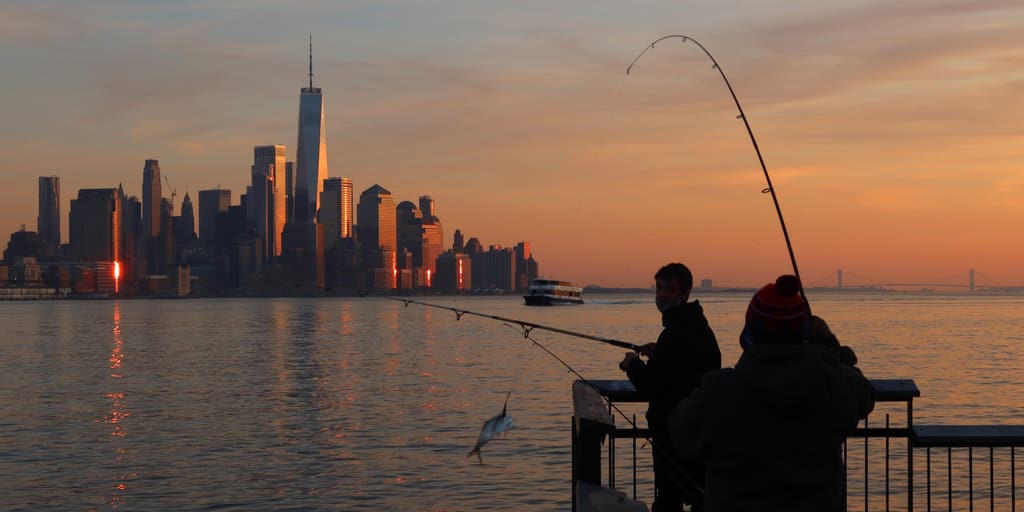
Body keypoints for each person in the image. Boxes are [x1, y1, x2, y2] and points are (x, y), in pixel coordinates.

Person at [667, 275, 875, 512]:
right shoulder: (832, 383)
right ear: (803, 333)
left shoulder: (720, 391)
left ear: (750, 332)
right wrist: (829, 344)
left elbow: (681, 431)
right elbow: (864, 394)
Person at [619, 262, 721, 511]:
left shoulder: (676, 332)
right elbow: (686, 365)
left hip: (672, 429)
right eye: (659, 288)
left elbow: (651, 385)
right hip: (699, 427)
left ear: (684, 293)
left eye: (669, 289)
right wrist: (659, 352)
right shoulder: (698, 326)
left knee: (669, 497)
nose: (662, 295)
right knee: (698, 494)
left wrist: (632, 364)